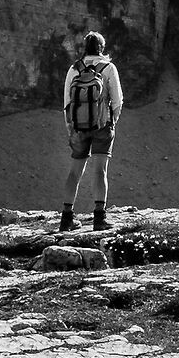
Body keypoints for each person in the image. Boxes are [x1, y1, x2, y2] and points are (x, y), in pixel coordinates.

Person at [59, 31, 123, 231]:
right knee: (100, 170)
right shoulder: (109, 68)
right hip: (102, 126)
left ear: (84, 48)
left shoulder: (73, 69)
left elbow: (67, 104)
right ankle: (99, 218)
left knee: (74, 171)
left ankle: (66, 218)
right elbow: (118, 101)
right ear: (102, 48)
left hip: (78, 127)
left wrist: (71, 127)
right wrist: (110, 122)